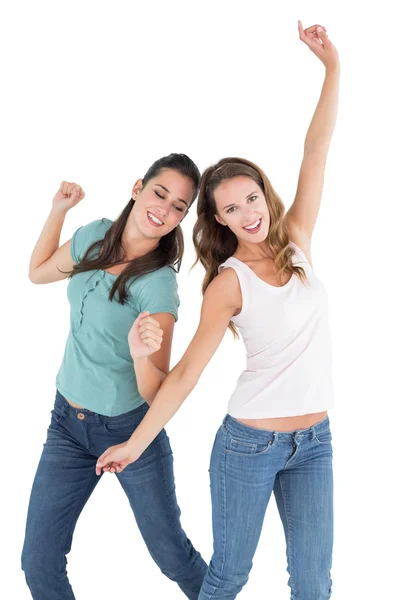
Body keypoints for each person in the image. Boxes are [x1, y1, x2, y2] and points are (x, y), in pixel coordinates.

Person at [97, 22, 339, 599]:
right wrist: (135, 443)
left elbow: (317, 150)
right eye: (231, 208)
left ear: (264, 195)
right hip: (248, 445)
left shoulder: (298, 241)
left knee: (314, 583)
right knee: (228, 577)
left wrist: (332, 69)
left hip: (316, 441)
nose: (248, 213)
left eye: (252, 198)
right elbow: (184, 377)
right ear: (220, 220)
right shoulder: (228, 285)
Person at [21, 153, 207, 600]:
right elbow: (37, 272)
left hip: (129, 428)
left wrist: (142, 356)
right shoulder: (95, 236)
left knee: (171, 554)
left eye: (179, 206)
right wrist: (58, 211)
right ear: (138, 187)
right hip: (66, 422)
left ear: (183, 218)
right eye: (160, 193)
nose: (164, 209)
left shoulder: (158, 285)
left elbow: (158, 390)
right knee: (38, 563)